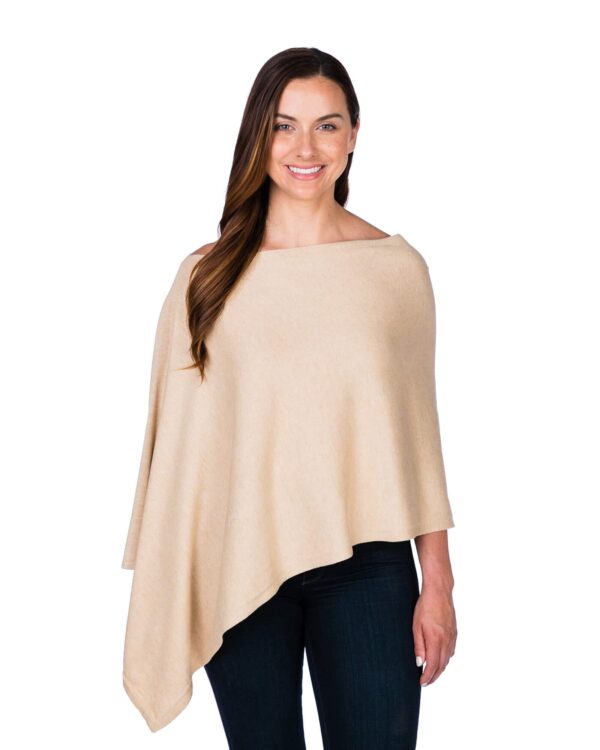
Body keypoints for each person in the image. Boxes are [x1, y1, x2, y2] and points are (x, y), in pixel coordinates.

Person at [121, 47, 457, 749]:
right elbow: (177, 453)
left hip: (368, 565)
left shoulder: (396, 270)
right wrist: (174, 574)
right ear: (258, 136)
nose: (306, 149)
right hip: (238, 558)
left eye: (327, 126)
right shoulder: (205, 279)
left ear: (354, 135)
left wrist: (439, 585)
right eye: (284, 126)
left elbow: (417, 439)